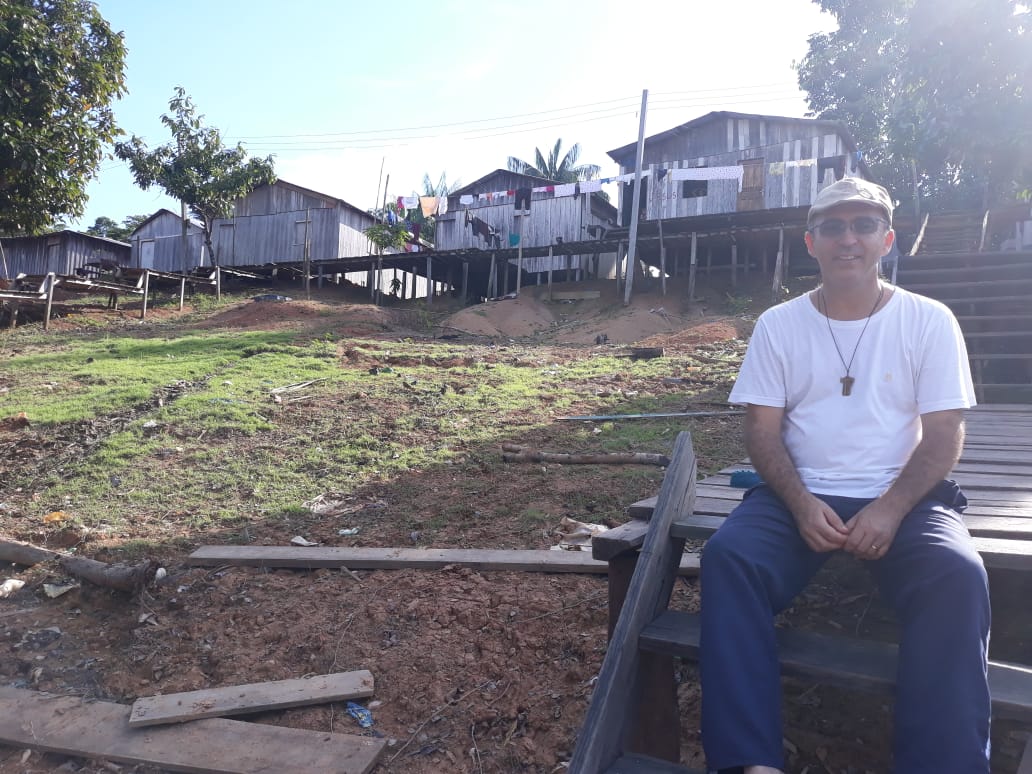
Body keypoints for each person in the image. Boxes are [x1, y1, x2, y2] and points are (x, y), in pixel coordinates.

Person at [699, 177, 990, 774]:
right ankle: (751, 762)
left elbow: (944, 433)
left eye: (863, 226)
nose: (848, 239)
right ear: (811, 242)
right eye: (832, 227)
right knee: (728, 559)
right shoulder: (778, 325)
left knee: (958, 574)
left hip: (904, 495)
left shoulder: (929, 320)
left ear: (887, 239)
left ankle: (944, 763)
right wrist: (801, 502)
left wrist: (891, 507)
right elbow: (761, 430)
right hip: (798, 494)